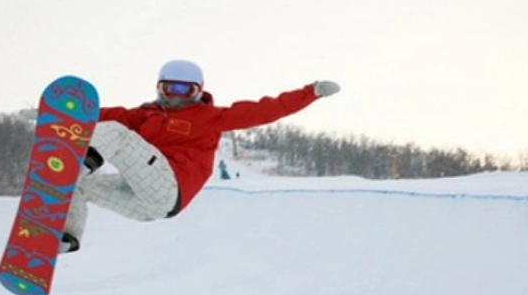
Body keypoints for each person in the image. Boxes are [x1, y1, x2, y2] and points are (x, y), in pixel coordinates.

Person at [59, 59, 340, 253]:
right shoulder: (144, 115)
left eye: (185, 89)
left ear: (198, 91)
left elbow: (267, 109)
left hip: (170, 188)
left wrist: (311, 92)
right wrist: (48, 114)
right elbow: (97, 114)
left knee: (115, 133)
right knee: (77, 186)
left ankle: (82, 163)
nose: (176, 95)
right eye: (169, 88)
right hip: (151, 208)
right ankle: (65, 238)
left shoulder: (211, 117)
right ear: (159, 87)